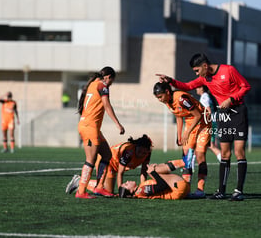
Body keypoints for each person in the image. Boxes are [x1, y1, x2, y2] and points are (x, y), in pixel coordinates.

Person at [157, 53, 251, 201]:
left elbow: (246, 86)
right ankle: (221, 191)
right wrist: (170, 80)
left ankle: (238, 191)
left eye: (196, 70)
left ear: (205, 66)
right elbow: (187, 86)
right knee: (225, 154)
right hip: (223, 115)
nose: (196, 74)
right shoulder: (204, 79)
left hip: (238, 112)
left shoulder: (229, 70)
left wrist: (231, 99)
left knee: (239, 151)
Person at [153, 81, 212, 198]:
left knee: (200, 155)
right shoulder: (167, 101)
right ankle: (186, 189)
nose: (159, 100)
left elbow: (198, 115)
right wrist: (179, 135)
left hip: (203, 124)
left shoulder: (182, 98)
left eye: (160, 96)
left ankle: (200, 190)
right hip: (191, 124)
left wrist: (187, 132)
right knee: (187, 157)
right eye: (157, 98)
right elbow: (178, 116)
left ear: (167, 92)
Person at [75, 66, 125, 199]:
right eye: (111, 81)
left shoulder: (92, 84)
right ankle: (80, 191)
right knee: (90, 160)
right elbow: (107, 105)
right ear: (108, 77)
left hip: (92, 127)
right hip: (89, 127)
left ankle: (99, 187)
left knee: (107, 155)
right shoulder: (102, 85)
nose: (111, 84)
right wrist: (117, 124)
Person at [65, 134, 153, 195]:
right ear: (136, 147)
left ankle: (82, 182)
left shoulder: (147, 154)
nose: (141, 154)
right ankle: (79, 181)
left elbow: (143, 171)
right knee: (106, 190)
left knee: (107, 190)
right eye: (140, 151)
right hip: (109, 163)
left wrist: (143, 188)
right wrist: (120, 191)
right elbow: (120, 173)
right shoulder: (128, 152)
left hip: (116, 166)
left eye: (144, 153)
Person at [118, 159, 191, 200]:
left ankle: (186, 166)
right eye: (126, 184)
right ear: (131, 191)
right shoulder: (141, 191)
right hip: (178, 189)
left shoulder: (140, 190)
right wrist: (152, 172)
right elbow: (162, 186)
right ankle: (184, 162)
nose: (127, 181)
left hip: (183, 190)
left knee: (152, 169)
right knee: (154, 170)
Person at [196, 86, 222, 162]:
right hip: (212, 122)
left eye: (197, 87)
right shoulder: (207, 96)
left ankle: (189, 166)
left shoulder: (204, 97)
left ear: (202, 88)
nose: (196, 89)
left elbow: (209, 111)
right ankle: (224, 161)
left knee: (198, 144)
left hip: (208, 124)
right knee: (210, 145)